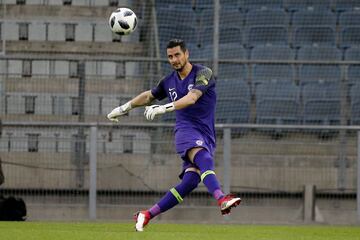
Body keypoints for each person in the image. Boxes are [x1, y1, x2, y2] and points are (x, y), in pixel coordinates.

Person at [107, 39, 241, 232]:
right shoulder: (168, 81)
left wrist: (164, 108)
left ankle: (147, 214)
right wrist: (124, 107)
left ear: (187, 54)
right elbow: (149, 96)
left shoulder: (204, 73)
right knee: (203, 158)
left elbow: (192, 97)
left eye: (177, 55)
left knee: (190, 182)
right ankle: (222, 198)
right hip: (186, 131)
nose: (174, 60)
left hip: (206, 133)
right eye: (170, 56)